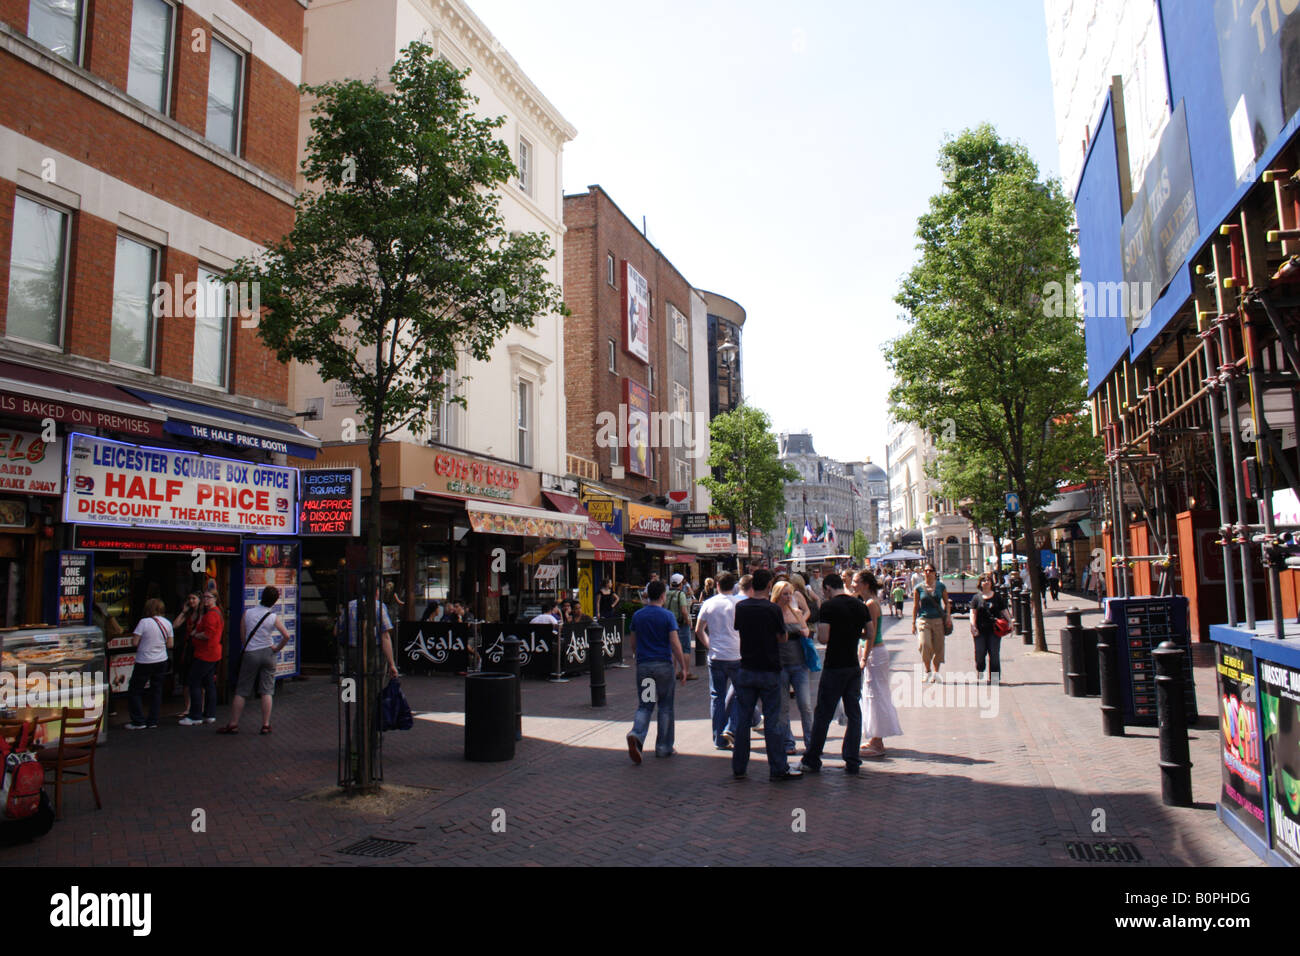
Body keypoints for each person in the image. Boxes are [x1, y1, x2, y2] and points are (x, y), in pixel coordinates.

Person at [732, 569, 801, 781]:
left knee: (743, 721)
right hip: (769, 668)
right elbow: (782, 637)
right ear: (769, 585)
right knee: (773, 720)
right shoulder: (773, 609)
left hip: (746, 667)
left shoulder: (741, 607)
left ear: (753, 585)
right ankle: (778, 768)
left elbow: (738, 629)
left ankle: (739, 767)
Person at [800, 573, 868, 774]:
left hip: (834, 666)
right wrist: (854, 633)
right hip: (853, 666)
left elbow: (823, 638)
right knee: (854, 713)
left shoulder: (828, 607)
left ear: (828, 588)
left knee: (824, 713)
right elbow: (870, 633)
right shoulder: (859, 605)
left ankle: (813, 758)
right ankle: (852, 759)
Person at [625, 579, 687, 762]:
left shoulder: (638, 616)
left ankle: (637, 733)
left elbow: (633, 643)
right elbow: (675, 643)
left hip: (645, 667)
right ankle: (663, 747)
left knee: (646, 704)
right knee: (665, 707)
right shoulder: (667, 616)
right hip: (663, 667)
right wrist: (683, 666)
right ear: (662, 596)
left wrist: (639, 656)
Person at [217, 586, 293, 735]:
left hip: (251, 652)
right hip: (268, 652)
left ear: (261, 596)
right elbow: (286, 635)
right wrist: (276, 648)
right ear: (274, 601)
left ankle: (233, 723)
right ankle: (265, 724)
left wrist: (249, 646)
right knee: (267, 691)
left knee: (242, 690)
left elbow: (243, 636)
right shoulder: (272, 617)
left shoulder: (248, 613)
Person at [856, 570, 902, 756]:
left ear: (866, 584)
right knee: (872, 694)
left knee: (875, 694)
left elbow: (871, 634)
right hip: (873, 652)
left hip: (875, 652)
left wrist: (865, 656)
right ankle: (875, 738)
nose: (854, 584)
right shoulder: (869, 601)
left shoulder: (870, 604)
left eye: (857, 581)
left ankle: (878, 741)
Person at [695, 571, 741, 750]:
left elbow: (699, 630)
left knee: (717, 697)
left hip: (716, 656)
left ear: (717, 585)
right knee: (739, 693)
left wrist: (709, 645)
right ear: (733, 586)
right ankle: (731, 727)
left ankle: (718, 739)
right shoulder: (739, 604)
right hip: (736, 655)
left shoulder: (708, 603)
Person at [770, 580, 813, 757]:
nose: (788, 597)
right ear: (777, 595)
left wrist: (803, 631)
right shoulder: (772, 614)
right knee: (783, 707)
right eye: (784, 594)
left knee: (805, 705)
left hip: (799, 664)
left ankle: (811, 742)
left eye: (790, 594)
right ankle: (788, 742)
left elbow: (806, 630)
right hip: (780, 665)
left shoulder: (796, 613)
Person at [124, 598, 174, 730]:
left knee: (135, 690)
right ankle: (153, 720)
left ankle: (138, 721)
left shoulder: (144, 622)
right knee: (156, 690)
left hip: (144, 660)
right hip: (161, 660)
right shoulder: (167, 623)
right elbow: (170, 644)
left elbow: (134, 642)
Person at [181, 590, 224, 725]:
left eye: (208, 597)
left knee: (194, 682)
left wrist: (195, 634)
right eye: (204, 597)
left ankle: (195, 716)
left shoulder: (211, 615)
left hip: (205, 653)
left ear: (215, 599)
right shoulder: (216, 613)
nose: (205, 600)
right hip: (213, 653)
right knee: (209, 683)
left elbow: (208, 634)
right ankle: (210, 714)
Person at [912, 564, 951, 683]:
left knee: (938, 648)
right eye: (926, 570)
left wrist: (948, 616)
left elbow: (947, 602)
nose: (928, 572)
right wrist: (913, 622)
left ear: (935, 573)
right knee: (924, 645)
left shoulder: (941, 586)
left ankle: (935, 672)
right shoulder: (918, 588)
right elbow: (915, 606)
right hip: (924, 620)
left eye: (930, 570)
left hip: (938, 620)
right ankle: (928, 670)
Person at [969, 573, 1010, 684]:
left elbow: (1003, 610)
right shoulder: (976, 598)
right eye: (983, 580)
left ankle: (995, 678)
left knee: (994, 654)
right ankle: (980, 672)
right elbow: (973, 613)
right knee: (980, 654)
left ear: (991, 583)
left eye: (988, 580)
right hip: (980, 630)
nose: (986, 582)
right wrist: (973, 626)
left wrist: (1010, 621)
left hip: (994, 630)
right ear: (980, 584)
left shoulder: (997, 597)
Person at [170, 591, 201, 717]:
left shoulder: (202, 614)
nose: (191, 601)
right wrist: (183, 611)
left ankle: (200, 707)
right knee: (186, 679)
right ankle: (188, 707)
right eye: (189, 599)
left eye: (194, 598)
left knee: (198, 680)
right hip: (187, 649)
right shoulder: (187, 613)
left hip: (198, 648)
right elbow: (175, 625)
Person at [665, 573, 696, 680]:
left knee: (672, 649)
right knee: (685, 648)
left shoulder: (667, 593)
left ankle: (672, 672)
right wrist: (688, 621)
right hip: (681, 624)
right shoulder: (680, 594)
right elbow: (684, 611)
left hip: (670, 624)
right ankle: (685, 672)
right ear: (680, 583)